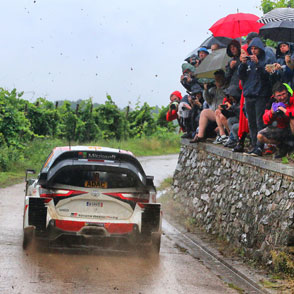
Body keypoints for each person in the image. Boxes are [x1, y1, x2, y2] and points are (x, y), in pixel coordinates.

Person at [237, 37, 271, 156]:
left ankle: (259, 146)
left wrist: (258, 64)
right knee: (251, 122)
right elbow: (241, 76)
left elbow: (266, 77)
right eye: (252, 48)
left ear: (260, 49)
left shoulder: (266, 59)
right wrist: (242, 64)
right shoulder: (248, 61)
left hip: (260, 95)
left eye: (256, 48)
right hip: (249, 94)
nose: (253, 51)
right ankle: (253, 144)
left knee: (259, 122)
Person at [257, 82, 294, 158]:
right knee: (260, 136)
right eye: (279, 96)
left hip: (290, 128)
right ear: (274, 96)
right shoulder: (272, 103)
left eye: (284, 94)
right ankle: (282, 146)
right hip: (280, 129)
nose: (282, 97)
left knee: (292, 119)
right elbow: (265, 120)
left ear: (287, 92)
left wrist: (285, 110)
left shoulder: (292, 99)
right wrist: (272, 112)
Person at [190, 70, 227, 143]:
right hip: (214, 112)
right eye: (216, 78)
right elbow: (208, 100)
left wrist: (220, 88)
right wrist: (206, 90)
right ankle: (200, 136)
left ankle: (222, 134)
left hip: (223, 112)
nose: (217, 80)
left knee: (217, 112)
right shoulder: (213, 90)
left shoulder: (226, 89)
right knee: (204, 112)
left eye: (219, 78)